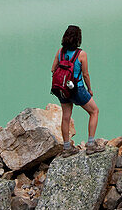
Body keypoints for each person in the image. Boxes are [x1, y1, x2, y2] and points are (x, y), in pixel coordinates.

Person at [51, 25, 102, 154]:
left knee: (66, 117)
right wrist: (89, 89)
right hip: (77, 89)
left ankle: (67, 147)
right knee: (94, 111)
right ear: (78, 39)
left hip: (62, 89)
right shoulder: (81, 54)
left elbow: (53, 69)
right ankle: (90, 144)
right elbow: (85, 74)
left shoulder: (60, 52)